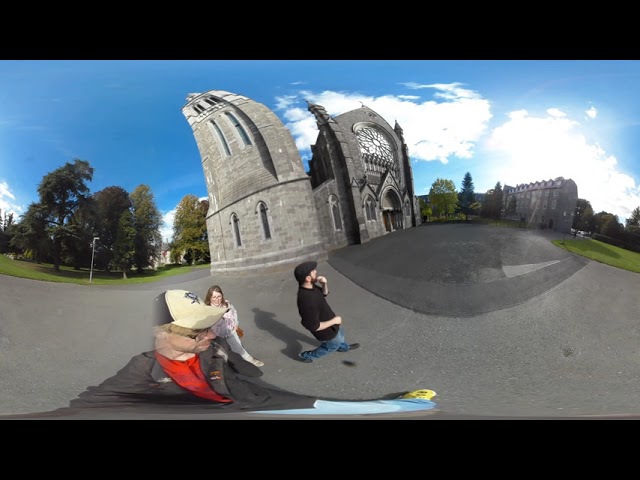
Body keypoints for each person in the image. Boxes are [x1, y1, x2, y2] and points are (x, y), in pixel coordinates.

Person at [1, 289, 436, 419]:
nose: (209, 335)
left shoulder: (215, 356)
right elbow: (87, 409)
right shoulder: (142, 371)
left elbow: (252, 376)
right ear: (159, 333)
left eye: (210, 325)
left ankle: (391, 404)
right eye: (195, 330)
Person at [294, 260, 360, 363]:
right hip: (326, 332)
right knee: (330, 346)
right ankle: (307, 356)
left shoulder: (310, 286)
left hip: (333, 324)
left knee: (340, 335)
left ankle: (343, 347)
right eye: (313, 272)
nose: (316, 272)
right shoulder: (306, 300)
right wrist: (334, 321)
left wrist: (324, 284)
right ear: (308, 278)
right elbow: (313, 326)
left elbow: (323, 294)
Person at [204, 285, 264, 367]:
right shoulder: (206, 310)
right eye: (214, 297)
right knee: (222, 353)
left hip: (230, 331)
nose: (217, 299)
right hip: (217, 336)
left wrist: (236, 324)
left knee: (238, 347)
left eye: (219, 296)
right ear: (209, 297)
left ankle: (250, 360)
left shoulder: (227, 304)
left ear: (222, 296)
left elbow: (234, 313)